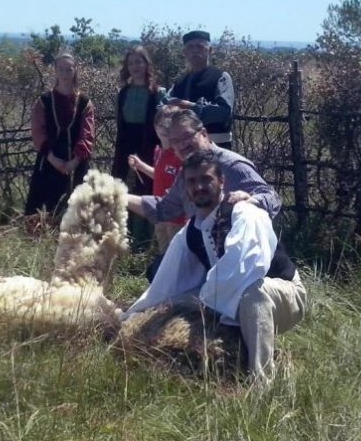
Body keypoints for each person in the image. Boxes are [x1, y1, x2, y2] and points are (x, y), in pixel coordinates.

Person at [125, 151, 306, 379]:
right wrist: (132, 317)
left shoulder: (244, 213)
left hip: (284, 294)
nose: (199, 186)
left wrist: (207, 304)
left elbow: (243, 269)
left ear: (221, 182)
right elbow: (166, 282)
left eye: (206, 179)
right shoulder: (191, 231)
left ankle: (261, 381)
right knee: (175, 301)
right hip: (225, 292)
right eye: (192, 181)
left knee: (252, 295)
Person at [127, 109, 281, 225]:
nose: (182, 145)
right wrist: (119, 196)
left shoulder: (232, 165)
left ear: (204, 134)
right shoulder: (186, 172)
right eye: (175, 141)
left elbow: (271, 197)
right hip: (204, 253)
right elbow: (165, 209)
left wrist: (250, 202)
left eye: (187, 136)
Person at [24, 53, 95, 216]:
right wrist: (53, 159)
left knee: (76, 212)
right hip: (49, 161)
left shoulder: (85, 102)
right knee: (43, 211)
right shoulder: (44, 101)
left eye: (69, 69)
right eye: (61, 69)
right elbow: (38, 131)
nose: (65, 73)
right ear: (55, 70)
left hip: (76, 164)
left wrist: (75, 161)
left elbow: (87, 134)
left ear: (75, 71)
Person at [111, 46, 166, 249]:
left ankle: (143, 244)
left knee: (146, 190)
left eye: (139, 62)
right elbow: (120, 123)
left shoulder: (158, 93)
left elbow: (162, 125)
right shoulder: (123, 92)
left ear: (146, 64)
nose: (135, 66)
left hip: (149, 148)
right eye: (131, 62)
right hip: (125, 146)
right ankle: (122, 240)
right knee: (122, 188)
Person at [127, 105, 186, 254]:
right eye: (161, 125)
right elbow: (159, 176)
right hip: (159, 214)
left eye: (170, 125)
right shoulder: (158, 152)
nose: (165, 130)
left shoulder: (180, 155)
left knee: (176, 254)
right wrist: (140, 166)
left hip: (176, 217)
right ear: (155, 126)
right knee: (163, 252)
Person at [164, 30, 235, 150]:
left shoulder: (221, 77)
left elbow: (224, 112)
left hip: (215, 148)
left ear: (210, 50)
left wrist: (189, 107)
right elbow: (164, 105)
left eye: (200, 46)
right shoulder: (180, 81)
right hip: (185, 149)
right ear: (185, 52)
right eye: (190, 47)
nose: (195, 50)